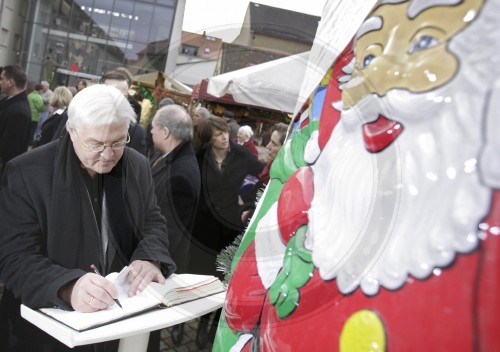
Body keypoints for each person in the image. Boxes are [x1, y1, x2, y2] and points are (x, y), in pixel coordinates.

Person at [0, 84, 176, 352]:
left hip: (119, 328)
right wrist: (68, 287)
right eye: (96, 144)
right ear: (72, 130)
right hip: (47, 336)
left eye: (118, 142)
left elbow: (152, 220)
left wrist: (150, 257)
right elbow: (14, 257)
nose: (107, 155)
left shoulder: (137, 165)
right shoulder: (26, 173)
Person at [190, 116, 264, 349]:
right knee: (198, 275)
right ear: (207, 138)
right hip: (202, 227)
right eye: (218, 134)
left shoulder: (241, 155)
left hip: (229, 227)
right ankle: (182, 321)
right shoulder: (198, 158)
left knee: (221, 278)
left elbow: (263, 175)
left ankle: (206, 325)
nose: (225, 137)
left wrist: (249, 205)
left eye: (226, 132)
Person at [149, 104, 201, 347]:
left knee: (148, 327)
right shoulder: (173, 157)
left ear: (166, 132)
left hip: (156, 266)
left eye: (154, 128)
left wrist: (150, 263)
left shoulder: (181, 172)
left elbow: (169, 231)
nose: (150, 132)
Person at [0, 64, 31, 176]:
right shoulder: (9, 102)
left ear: (10, 82)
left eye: (2, 78)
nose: (0, 82)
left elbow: (10, 152)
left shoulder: (19, 112)